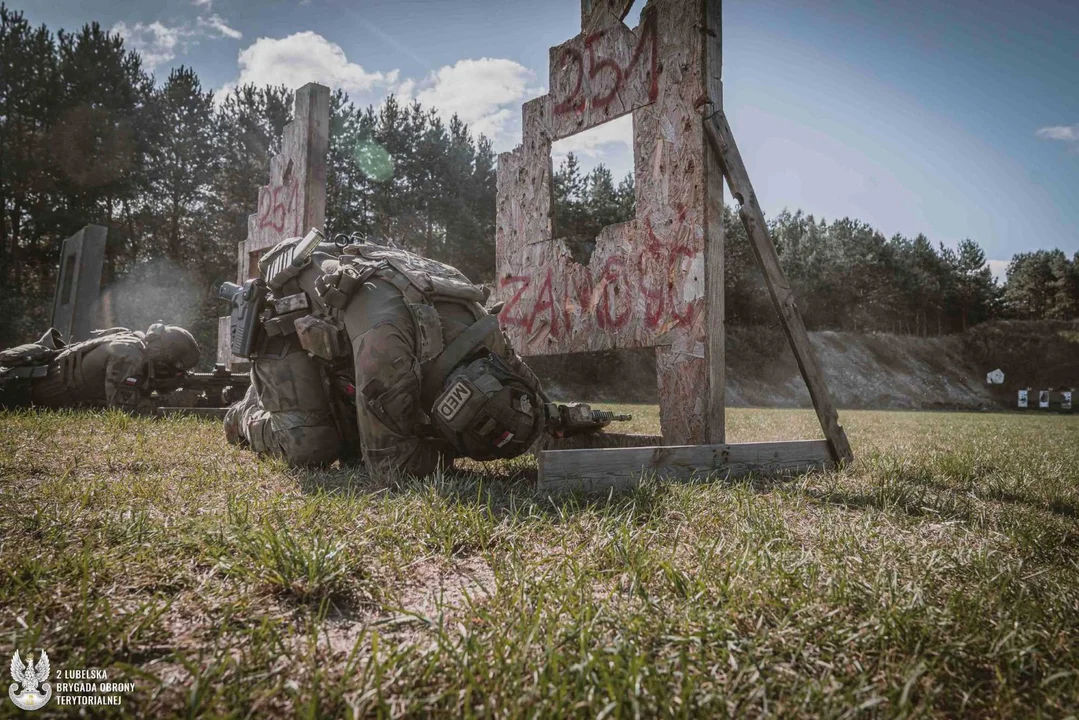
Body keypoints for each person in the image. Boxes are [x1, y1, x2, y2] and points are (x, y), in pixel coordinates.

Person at [224, 230, 549, 474]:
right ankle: (242, 416)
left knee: (365, 430)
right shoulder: (387, 350)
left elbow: (535, 396)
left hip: (342, 337)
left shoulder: (489, 340)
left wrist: (549, 422)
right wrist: (455, 450)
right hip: (280, 318)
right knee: (312, 445)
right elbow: (390, 462)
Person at [0, 323, 201, 413]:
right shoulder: (129, 355)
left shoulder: (133, 344)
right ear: (164, 356)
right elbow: (125, 411)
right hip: (17, 393)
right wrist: (176, 400)